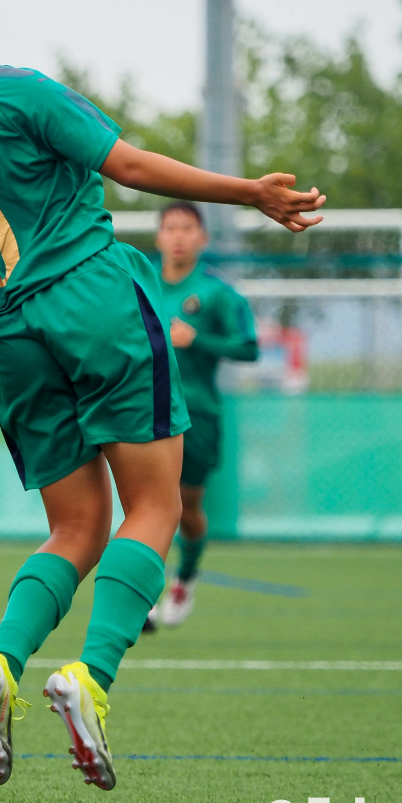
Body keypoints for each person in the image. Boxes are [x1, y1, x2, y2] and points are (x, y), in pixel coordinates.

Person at [0, 0, 324, 791]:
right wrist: (248, 192)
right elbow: (129, 166)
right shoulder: (17, 90)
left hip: (7, 329)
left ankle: (3, 661)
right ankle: (91, 677)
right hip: (92, 299)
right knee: (156, 507)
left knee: (74, 527)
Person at [144, 202, 258, 630]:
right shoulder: (138, 282)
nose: (178, 236)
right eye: (171, 228)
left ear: (203, 238)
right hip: (144, 408)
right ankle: (144, 594)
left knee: (186, 508)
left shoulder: (217, 293)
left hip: (197, 414)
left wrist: (197, 339)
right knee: (149, 504)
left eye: (187, 228)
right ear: (158, 236)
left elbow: (248, 347)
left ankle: (186, 576)